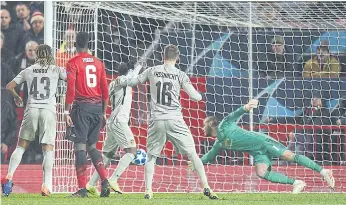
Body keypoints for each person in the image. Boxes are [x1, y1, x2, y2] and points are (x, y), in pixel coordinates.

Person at [120, 45, 218, 200]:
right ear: (177, 58)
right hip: (174, 119)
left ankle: (148, 191)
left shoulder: (152, 70)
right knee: (192, 154)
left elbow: (133, 82)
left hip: (156, 120)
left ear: (162, 56)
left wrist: (132, 72)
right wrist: (201, 96)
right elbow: (194, 97)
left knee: (151, 157)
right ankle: (206, 187)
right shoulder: (180, 74)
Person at [193, 99, 335, 193]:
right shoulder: (219, 143)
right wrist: (195, 163)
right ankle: (297, 182)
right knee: (261, 172)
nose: (202, 129)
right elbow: (209, 156)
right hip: (257, 152)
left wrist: (246, 107)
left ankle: (324, 172)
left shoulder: (224, 124)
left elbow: (235, 114)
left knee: (290, 156)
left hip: (262, 142)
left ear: (211, 124)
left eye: (204, 125)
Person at [1, 45, 67, 197]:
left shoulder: (28, 70)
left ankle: (9, 176)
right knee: (48, 148)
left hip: (31, 109)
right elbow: (71, 77)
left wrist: (17, 97)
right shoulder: (56, 69)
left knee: (21, 146)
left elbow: (9, 86)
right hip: (48, 111)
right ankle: (46, 185)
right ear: (50, 55)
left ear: (37, 54)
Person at [64, 32, 110, 198]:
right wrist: (104, 112)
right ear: (89, 45)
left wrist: (66, 111)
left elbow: (70, 89)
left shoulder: (72, 63)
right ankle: (105, 181)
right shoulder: (99, 63)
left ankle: (82, 189)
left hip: (82, 108)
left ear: (76, 44)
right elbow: (105, 91)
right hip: (97, 108)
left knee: (80, 148)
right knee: (92, 147)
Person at [86, 62, 142, 195]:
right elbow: (133, 80)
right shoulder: (123, 80)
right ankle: (114, 179)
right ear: (128, 71)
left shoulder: (113, 82)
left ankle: (91, 184)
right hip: (119, 121)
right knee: (132, 151)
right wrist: (138, 68)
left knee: (107, 155)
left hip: (113, 121)